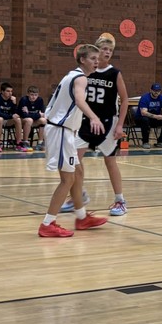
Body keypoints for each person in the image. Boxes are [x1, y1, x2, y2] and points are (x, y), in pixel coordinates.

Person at [37, 43, 109, 238]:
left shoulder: (72, 76)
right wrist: (94, 117)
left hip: (64, 131)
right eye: (93, 59)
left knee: (76, 173)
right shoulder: (80, 79)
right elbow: (79, 100)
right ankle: (47, 223)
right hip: (61, 131)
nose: (97, 62)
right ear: (82, 60)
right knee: (67, 179)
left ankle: (82, 217)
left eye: (98, 59)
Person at [63, 36, 130, 216]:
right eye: (104, 49)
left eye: (110, 50)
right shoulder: (86, 72)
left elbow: (124, 100)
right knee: (73, 160)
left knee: (110, 161)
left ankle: (120, 201)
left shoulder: (114, 73)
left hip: (108, 123)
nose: (107, 52)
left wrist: (120, 125)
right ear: (96, 51)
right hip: (86, 122)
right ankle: (78, 196)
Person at [0, 81, 30, 153]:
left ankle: (18, 143)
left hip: (7, 120)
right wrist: (11, 116)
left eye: (11, 91)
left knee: (17, 119)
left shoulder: (12, 99)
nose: (10, 93)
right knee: (0, 119)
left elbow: (16, 113)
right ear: (2, 91)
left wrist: (14, 104)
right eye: (8, 91)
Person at [19, 85, 47, 149]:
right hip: (23, 121)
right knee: (29, 120)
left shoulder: (40, 100)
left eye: (35, 95)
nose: (33, 97)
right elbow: (24, 115)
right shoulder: (24, 100)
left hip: (34, 120)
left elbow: (43, 114)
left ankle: (40, 142)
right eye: (32, 95)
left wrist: (30, 114)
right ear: (28, 94)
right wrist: (38, 115)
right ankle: (25, 142)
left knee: (43, 120)